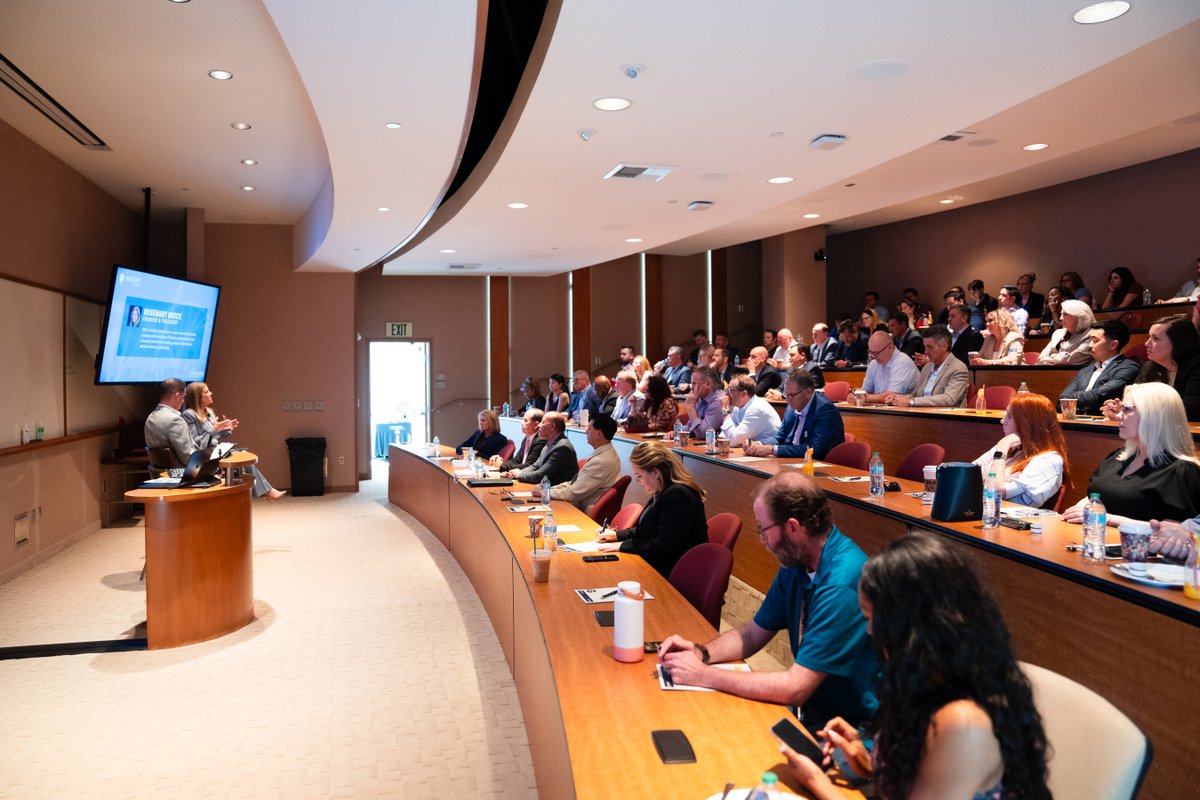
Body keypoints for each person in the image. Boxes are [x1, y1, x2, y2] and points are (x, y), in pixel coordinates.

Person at [783, 532, 1050, 800]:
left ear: (911, 626)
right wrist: (869, 764)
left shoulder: (963, 722)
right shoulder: (928, 678)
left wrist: (819, 783)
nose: (870, 630)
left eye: (873, 618)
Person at [657, 472, 878, 730]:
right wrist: (699, 653)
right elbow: (752, 634)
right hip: (815, 710)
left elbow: (795, 688)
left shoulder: (841, 584)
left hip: (852, 728)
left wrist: (702, 675)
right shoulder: (797, 563)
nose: (762, 539)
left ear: (793, 527)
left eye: (763, 528)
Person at [1062, 383, 1200, 527]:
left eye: (1126, 409)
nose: (1119, 415)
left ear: (1153, 416)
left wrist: (1107, 519)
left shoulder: (1182, 471)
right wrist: (1077, 511)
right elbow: (1095, 497)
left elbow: (1173, 533)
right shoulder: (1117, 457)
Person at [596, 440, 707, 577]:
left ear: (656, 472)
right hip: (657, 564)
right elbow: (648, 530)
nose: (638, 482)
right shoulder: (663, 490)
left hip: (673, 573)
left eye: (639, 476)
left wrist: (622, 546)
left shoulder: (679, 496)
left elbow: (663, 545)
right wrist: (616, 535)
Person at [183, 381, 285, 500]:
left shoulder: (209, 412)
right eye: (206, 392)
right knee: (241, 463)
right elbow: (195, 442)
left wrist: (225, 429)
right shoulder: (189, 415)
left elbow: (214, 436)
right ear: (198, 397)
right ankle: (267, 491)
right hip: (203, 457)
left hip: (215, 451)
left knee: (244, 458)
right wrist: (214, 429)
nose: (211, 393)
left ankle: (266, 492)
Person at [972, 393, 1069, 508]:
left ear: (1027, 423)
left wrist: (1002, 448)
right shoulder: (1009, 447)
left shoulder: (1050, 460)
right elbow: (968, 475)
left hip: (1010, 521)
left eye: (1009, 416)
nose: (1002, 421)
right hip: (986, 512)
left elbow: (994, 492)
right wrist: (999, 477)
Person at [744, 369, 845, 459]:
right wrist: (759, 444)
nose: (788, 400)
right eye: (786, 395)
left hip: (820, 465)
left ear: (808, 392)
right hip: (793, 461)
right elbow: (779, 437)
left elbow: (814, 450)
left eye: (792, 395)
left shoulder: (825, 410)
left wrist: (772, 449)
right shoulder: (791, 407)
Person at [1126, 314, 1200, 422]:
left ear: (1178, 343)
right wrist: (1121, 408)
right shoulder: (1148, 367)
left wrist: (1138, 411)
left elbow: (1189, 411)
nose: (1147, 343)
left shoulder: (1196, 366)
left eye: (1155, 338)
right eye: (1149, 337)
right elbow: (1132, 400)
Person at [1058, 320, 1140, 416]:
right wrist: (1078, 410)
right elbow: (1062, 400)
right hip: (1078, 423)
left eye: (1095, 340)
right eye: (1090, 340)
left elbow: (1099, 396)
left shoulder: (1128, 367)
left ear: (1113, 345)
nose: (1090, 345)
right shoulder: (1086, 370)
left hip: (1106, 426)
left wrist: (1072, 398)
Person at [550, 414, 621, 515]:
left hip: (584, 511)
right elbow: (574, 483)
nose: (586, 431)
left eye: (589, 429)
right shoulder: (607, 453)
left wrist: (546, 492)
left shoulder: (601, 462)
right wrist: (549, 489)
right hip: (580, 503)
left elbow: (574, 493)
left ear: (598, 434)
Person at [885, 325, 968, 407]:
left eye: (930, 347)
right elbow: (917, 395)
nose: (926, 352)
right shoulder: (927, 367)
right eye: (925, 347)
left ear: (944, 346)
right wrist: (897, 398)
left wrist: (911, 401)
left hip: (947, 419)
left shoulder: (958, 368)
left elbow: (949, 399)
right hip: (923, 415)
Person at [503, 411, 578, 485]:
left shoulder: (562, 448)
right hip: (544, 490)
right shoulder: (548, 445)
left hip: (557, 494)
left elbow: (541, 475)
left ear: (553, 426)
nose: (539, 425)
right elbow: (534, 467)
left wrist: (519, 474)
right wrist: (516, 472)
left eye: (543, 422)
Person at [719, 374, 782, 446]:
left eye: (730, 390)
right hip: (752, 451)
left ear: (744, 394)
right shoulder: (738, 407)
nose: (726, 394)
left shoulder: (756, 409)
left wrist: (725, 412)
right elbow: (726, 434)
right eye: (727, 389)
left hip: (768, 453)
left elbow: (733, 441)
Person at [144, 378, 194, 466]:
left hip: (159, 475)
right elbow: (187, 458)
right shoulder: (175, 420)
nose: (183, 401)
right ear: (177, 396)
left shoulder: (150, 418)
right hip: (180, 475)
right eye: (183, 398)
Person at [860, 330, 919, 403]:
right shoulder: (873, 364)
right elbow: (865, 391)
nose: (872, 356)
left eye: (876, 353)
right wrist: (857, 395)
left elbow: (891, 396)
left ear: (890, 347)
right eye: (870, 352)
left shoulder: (902, 362)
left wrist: (864, 398)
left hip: (903, 411)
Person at [1035, 298, 1095, 365]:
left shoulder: (1091, 334)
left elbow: (1070, 360)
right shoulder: (1058, 333)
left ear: (1079, 316)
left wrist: (1051, 357)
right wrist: (1059, 358)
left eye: (1065, 314)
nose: (1061, 318)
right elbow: (1041, 358)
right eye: (1061, 314)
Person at [683, 367, 725, 437]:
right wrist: (677, 432)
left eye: (694, 383)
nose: (691, 387)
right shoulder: (700, 398)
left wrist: (691, 407)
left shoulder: (718, 401)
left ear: (708, 384)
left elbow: (703, 434)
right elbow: (691, 427)